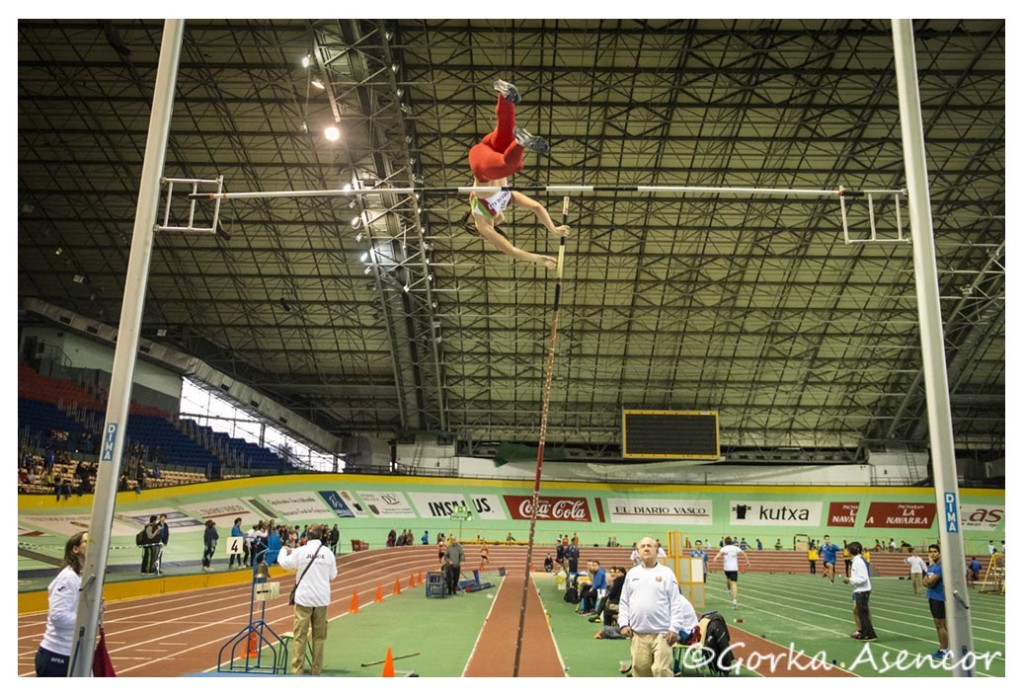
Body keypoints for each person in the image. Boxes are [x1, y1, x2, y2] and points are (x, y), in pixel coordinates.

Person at [465, 79, 569, 270]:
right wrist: (552, 228)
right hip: (492, 151)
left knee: (509, 165)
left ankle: (520, 143)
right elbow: (537, 206)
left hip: (481, 164)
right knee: (505, 132)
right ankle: (505, 96)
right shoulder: (508, 198)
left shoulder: (482, 222)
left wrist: (539, 259)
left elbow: (510, 250)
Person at [618, 537, 699, 677]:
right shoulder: (632, 574)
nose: (646, 548)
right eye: (642, 546)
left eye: (650, 546)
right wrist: (623, 623)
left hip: (662, 634)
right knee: (640, 670)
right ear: (638, 552)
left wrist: (674, 628)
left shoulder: (666, 573)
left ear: (657, 550)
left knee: (661, 670)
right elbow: (624, 601)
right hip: (638, 633)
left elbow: (675, 602)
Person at [278, 524, 337, 675]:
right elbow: (332, 576)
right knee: (319, 638)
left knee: (300, 637)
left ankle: (296, 670)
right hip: (321, 600)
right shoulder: (328, 553)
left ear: (306, 537)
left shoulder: (300, 551)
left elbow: (284, 564)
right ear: (321, 536)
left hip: (304, 599)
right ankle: (316, 670)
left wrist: (283, 550)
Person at [36, 531, 91, 676]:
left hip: (74, 653)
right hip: (57, 655)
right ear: (75, 549)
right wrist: (88, 616)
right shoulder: (68, 578)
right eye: (88, 541)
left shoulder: (81, 577)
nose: (93, 544)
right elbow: (58, 616)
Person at [843, 541, 877, 641]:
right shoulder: (856, 561)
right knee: (861, 612)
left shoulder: (859, 562)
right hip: (860, 590)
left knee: (863, 613)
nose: (846, 551)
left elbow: (863, 578)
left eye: (848, 549)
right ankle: (865, 633)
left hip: (862, 590)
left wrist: (850, 580)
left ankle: (870, 634)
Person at [924, 543, 949, 659]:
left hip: (939, 598)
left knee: (941, 624)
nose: (932, 554)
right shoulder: (931, 567)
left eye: (935, 551)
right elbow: (924, 582)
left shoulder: (940, 567)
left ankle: (945, 649)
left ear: (939, 553)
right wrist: (928, 581)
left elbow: (929, 582)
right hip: (932, 597)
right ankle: (943, 648)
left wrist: (928, 581)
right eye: (930, 552)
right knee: (938, 625)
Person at [712, 536, 750, 608]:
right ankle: (734, 600)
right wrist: (747, 561)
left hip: (727, 569)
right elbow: (744, 553)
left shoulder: (724, 548)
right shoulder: (735, 548)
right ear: (731, 542)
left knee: (728, 579)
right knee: (734, 583)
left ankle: (729, 590)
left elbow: (718, 555)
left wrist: (715, 559)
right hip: (734, 568)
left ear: (725, 542)